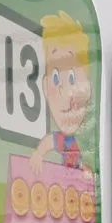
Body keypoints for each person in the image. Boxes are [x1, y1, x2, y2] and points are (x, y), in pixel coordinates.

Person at [31, 12, 93, 168]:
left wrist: (85, 169)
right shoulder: (65, 140)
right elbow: (49, 142)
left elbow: (82, 162)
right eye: (56, 79)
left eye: (72, 78)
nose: (65, 92)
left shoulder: (80, 141)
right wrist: (38, 154)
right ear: (45, 86)